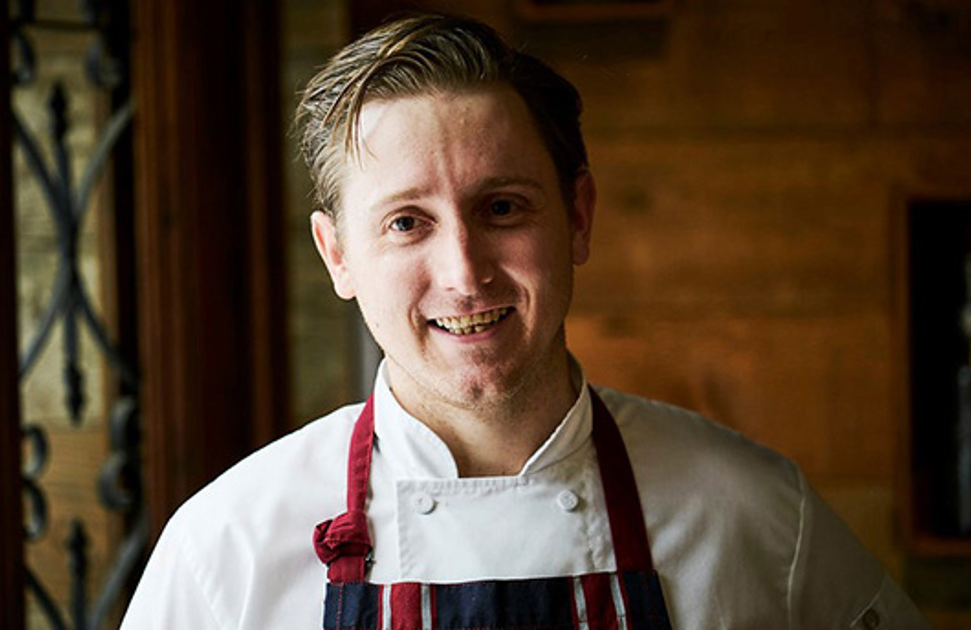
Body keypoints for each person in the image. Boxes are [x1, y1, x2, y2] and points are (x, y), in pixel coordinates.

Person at [121, 14, 928, 629]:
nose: (465, 272)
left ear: (577, 217)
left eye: (502, 207)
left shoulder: (757, 521)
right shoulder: (221, 555)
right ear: (337, 257)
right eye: (407, 222)